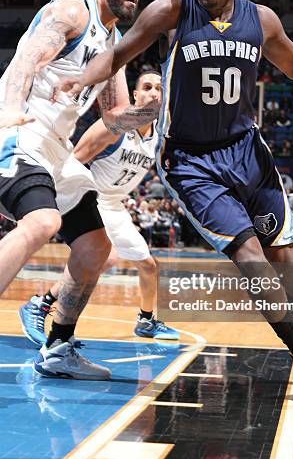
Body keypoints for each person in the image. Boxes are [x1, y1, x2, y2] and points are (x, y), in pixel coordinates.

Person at [54, 0, 293, 405]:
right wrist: (80, 79)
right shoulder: (170, 11)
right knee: (250, 259)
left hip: (247, 151)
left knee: (284, 257)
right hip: (190, 161)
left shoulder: (261, 19)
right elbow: (118, 55)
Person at [0, 0, 160, 379]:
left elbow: (115, 118)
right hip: (22, 129)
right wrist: (10, 110)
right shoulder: (73, 9)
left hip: (56, 146)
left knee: (95, 245)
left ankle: (58, 347)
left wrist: (158, 111)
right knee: (42, 222)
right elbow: (25, 62)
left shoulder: (113, 45)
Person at [19, 70, 179, 344]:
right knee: (106, 258)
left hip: (115, 205)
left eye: (159, 88)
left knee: (149, 266)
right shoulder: (115, 128)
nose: (154, 92)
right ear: (135, 94)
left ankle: (146, 320)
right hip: (91, 197)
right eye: (147, 87)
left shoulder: (159, 135)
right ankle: (41, 304)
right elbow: (72, 162)